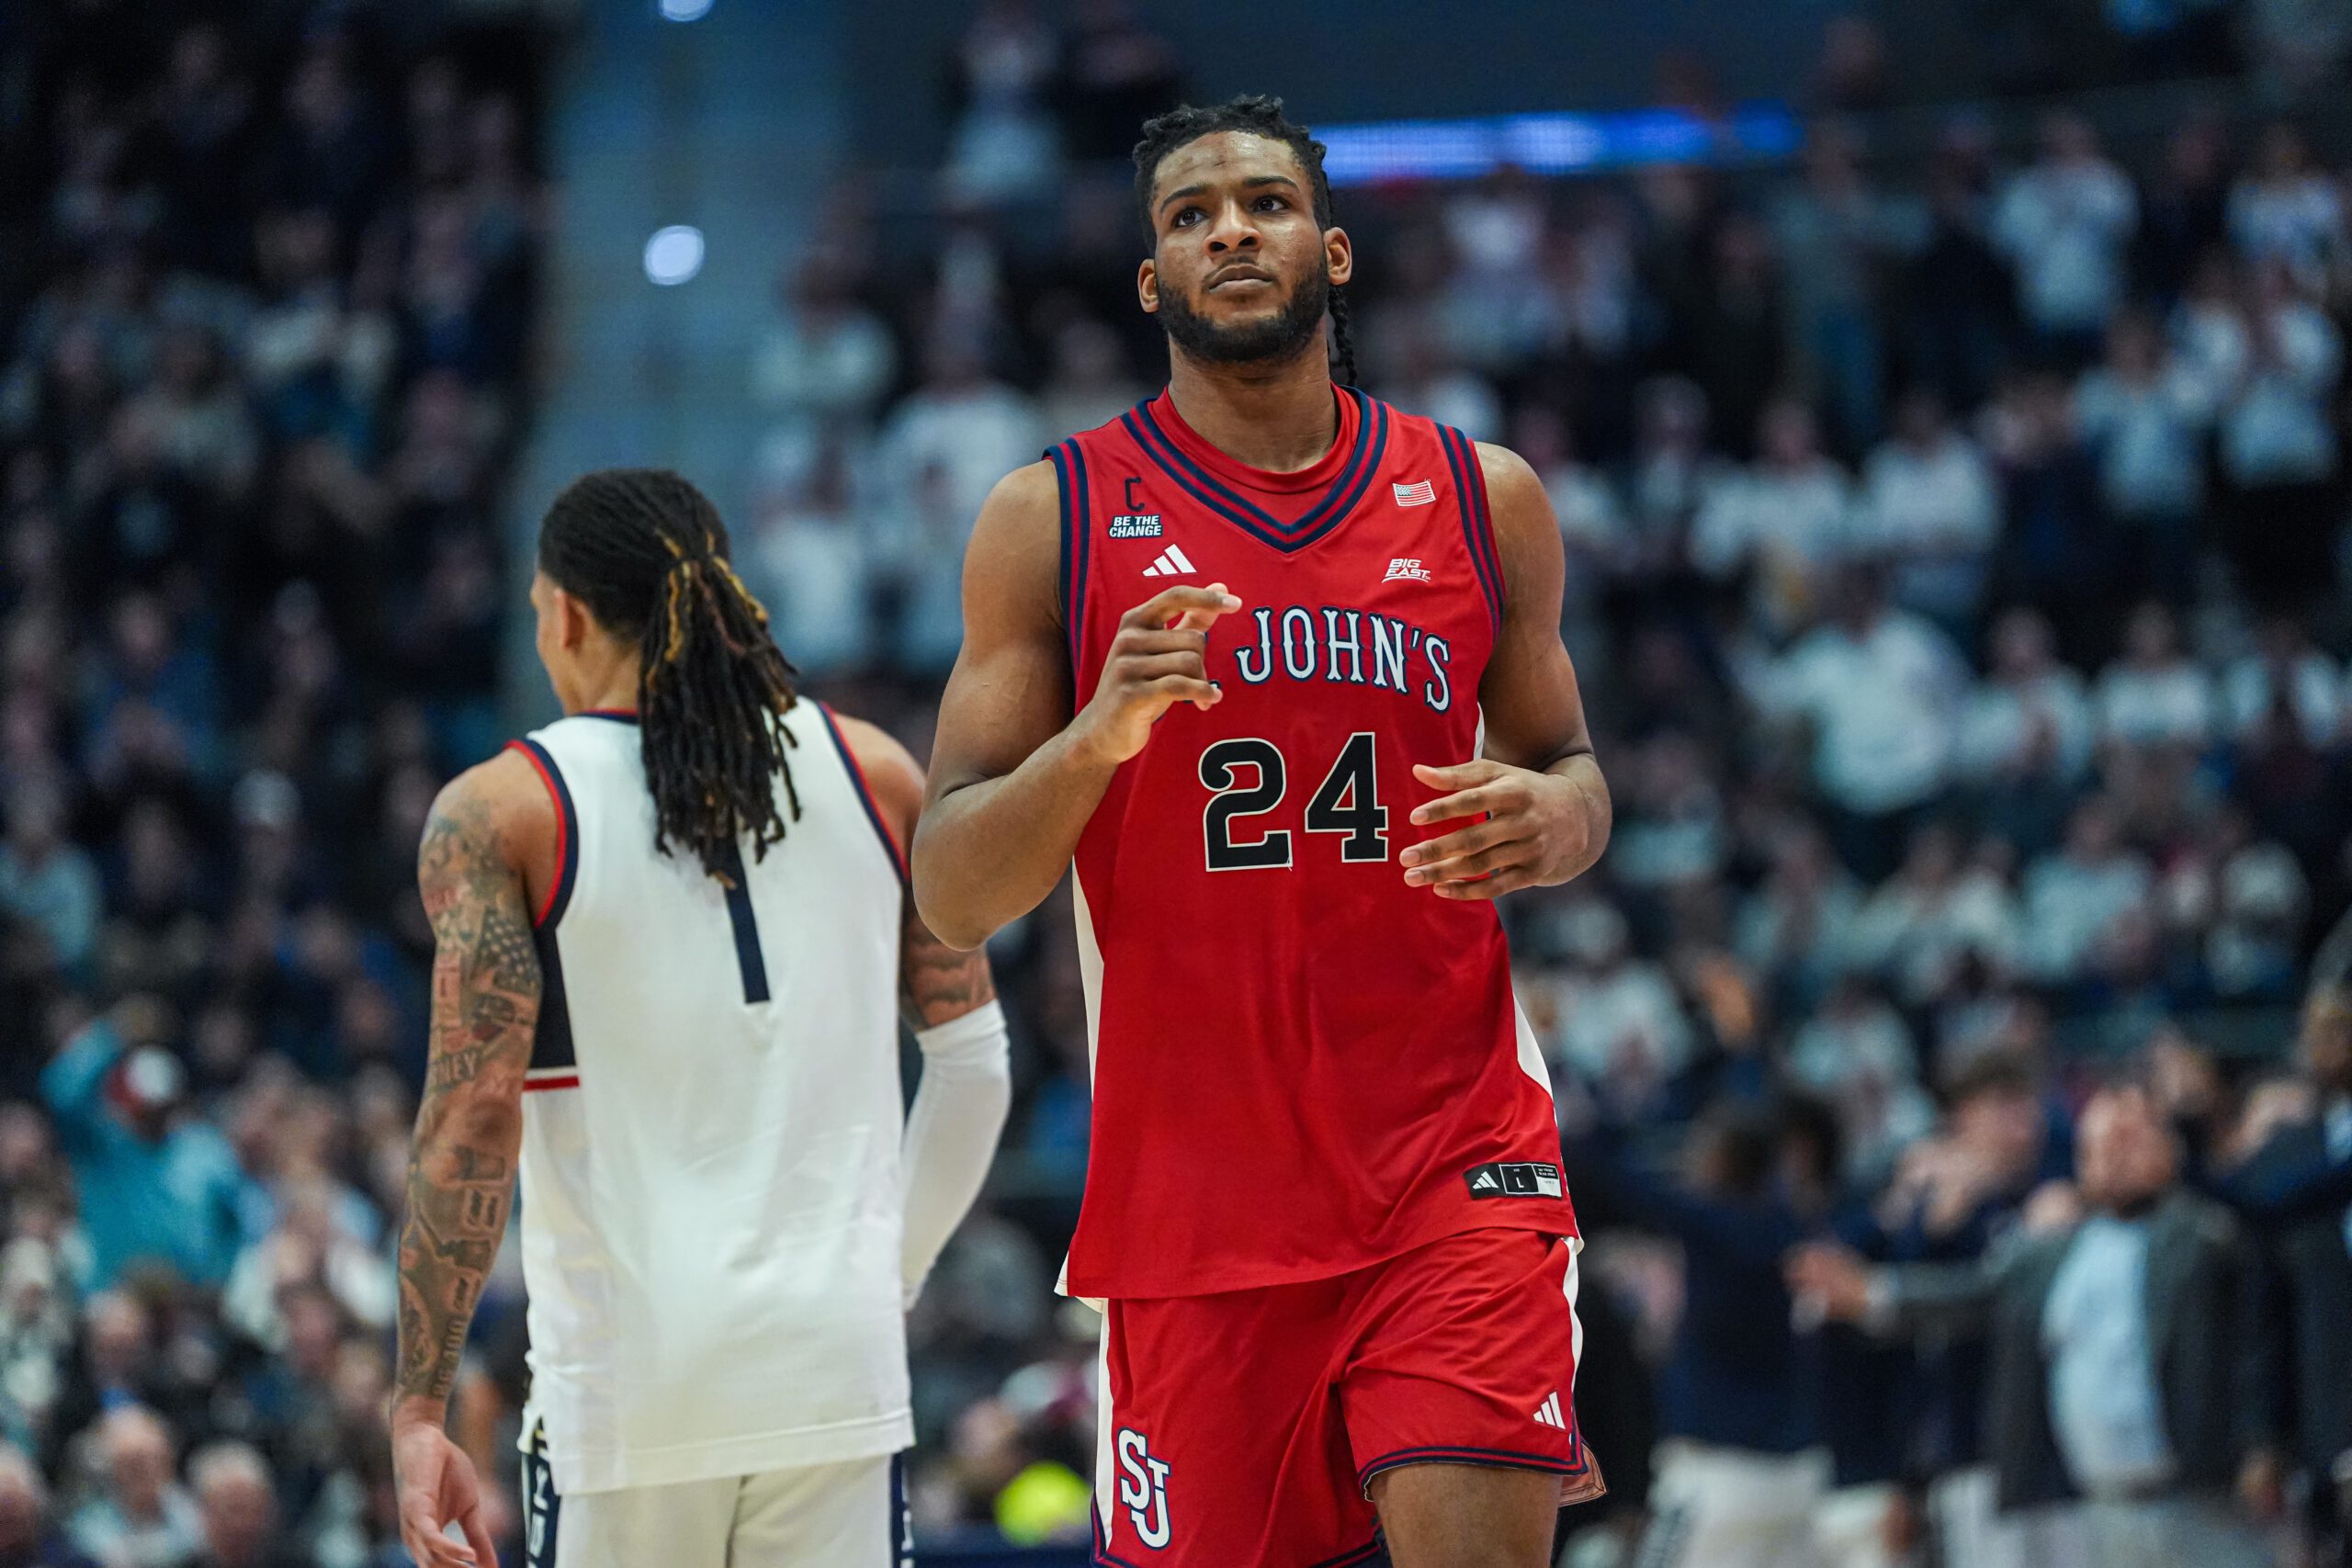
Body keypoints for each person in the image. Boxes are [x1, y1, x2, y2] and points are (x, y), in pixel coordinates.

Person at [913, 96, 1613, 1568]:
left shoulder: (1485, 497)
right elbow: (955, 885)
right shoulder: (1052, 518)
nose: (1231, 226)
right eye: (1188, 214)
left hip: (1453, 1159)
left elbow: (1574, 769)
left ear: (1334, 250)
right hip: (1196, 1203)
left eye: (1265, 202)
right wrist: (1094, 738)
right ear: (1152, 282)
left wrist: (1554, 817)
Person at [386, 469, 1012, 1568]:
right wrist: (881, 1279)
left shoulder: (504, 808)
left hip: (633, 1392)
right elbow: (974, 1071)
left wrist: (418, 1408)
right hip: (836, 1372)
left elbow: (475, 1120)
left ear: (568, 616)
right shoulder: (876, 774)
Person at [1791, 1087, 2271, 1568]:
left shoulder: (2199, 1234)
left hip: (2203, 1493)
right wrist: (1872, 1293)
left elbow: (2254, 1297)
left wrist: (2262, 1446)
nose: (2113, 1159)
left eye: (2128, 1142)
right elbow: (1969, 1296)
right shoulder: (2055, 1251)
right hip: (2094, 1502)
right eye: (2099, 1147)